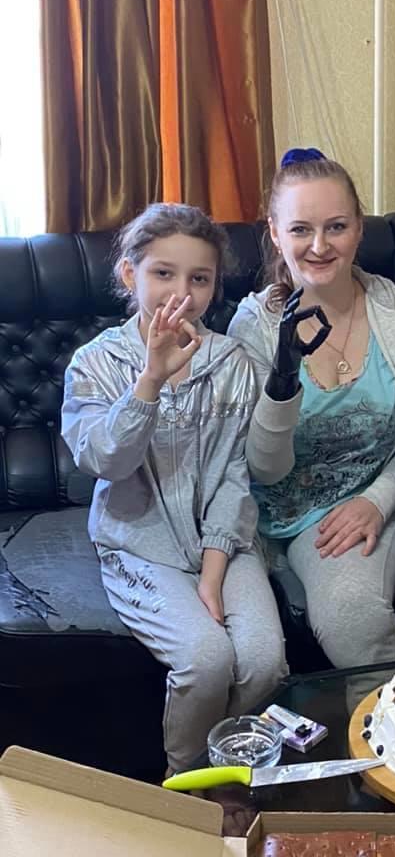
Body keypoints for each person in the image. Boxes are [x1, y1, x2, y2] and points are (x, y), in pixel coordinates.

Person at [61, 203, 287, 772]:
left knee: (264, 662)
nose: (181, 293)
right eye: (163, 273)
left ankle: (230, 770)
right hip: (139, 545)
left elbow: (235, 474)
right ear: (129, 274)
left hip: (223, 544)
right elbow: (104, 460)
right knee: (206, 660)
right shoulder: (95, 363)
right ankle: (185, 780)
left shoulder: (232, 363)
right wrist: (150, 379)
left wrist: (213, 572)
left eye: (200, 279)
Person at [228, 148, 395, 700]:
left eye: (336, 227)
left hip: (368, 501)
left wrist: (379, 500)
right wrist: (282, 380)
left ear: (359, 228)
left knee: (352, 618)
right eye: (301, 229)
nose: (319, 246)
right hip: (276, 516)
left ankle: (387, 746)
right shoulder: (254, 326)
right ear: (275, 234)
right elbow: (263, 471)